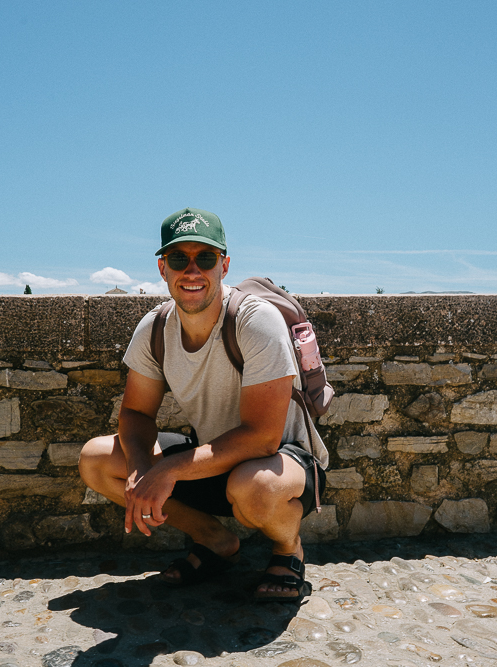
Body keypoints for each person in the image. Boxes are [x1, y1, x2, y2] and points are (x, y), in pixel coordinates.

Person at [79, 208, 328, 602]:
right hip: (212, 457)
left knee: (256, 486)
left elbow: (262, 438)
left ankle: (288, 550)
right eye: (179, 259)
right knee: (96, 459)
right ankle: (214, 540)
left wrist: (168, 472)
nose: (191, 271)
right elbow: (136, 412)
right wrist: (143, 467)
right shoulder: (156, 328)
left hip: (280, 461)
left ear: (224, 266)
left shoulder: (254, 321)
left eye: (205, 259)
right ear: (163, 269)